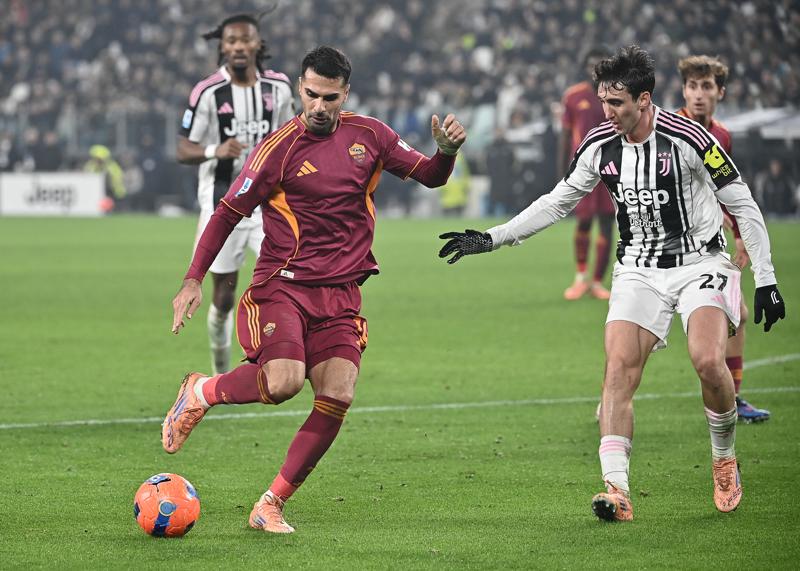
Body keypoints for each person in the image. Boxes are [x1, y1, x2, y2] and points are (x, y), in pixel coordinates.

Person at [438, 46, 785, 522]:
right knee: (618, 370)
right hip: (638, 269)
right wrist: (492, 238)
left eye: (616, 103)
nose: (606, 112)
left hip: (699, 261)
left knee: (708, 360)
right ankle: (617, 491)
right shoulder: (599, 143)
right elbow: (557, 201)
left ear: (644, 100)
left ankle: (724, 458)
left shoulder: (691, 139)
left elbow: (743, 204)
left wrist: (766, 278)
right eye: (603, 100)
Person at [164, 46, 466, 534]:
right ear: (299, 90)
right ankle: (201, 390)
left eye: (329, 97)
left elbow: (430, 177)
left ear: (346, 94)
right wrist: (193, 278)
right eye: (310, 95)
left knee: (338, 395)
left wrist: (446, 152)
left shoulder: (371, 136)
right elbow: (228, 212)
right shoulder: (277, 150)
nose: (318, 106)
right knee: (283, 382)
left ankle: (270, 504)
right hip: (282, 287)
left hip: (341, 294)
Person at [177, 12, 295, 375]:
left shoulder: (279, 88)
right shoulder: (208, 91)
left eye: (245, 40)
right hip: (223, 207)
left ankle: (284, 355)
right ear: (223, 47)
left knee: (289, 278)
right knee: (224, 297)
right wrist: (217, 150)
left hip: (269, 206)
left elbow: (293, 138)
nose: (239, 47)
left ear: (258, 44)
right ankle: (220, 371)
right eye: (231, 41)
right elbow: (183, 148)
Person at [677, 54, 770, 423]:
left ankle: (735, 397)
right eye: (692, 86)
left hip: (705, 249)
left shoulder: (721, 136)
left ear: (721, 92)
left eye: (706, 86)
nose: (699, 94)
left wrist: (740, 234)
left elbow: (725, 191)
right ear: (683, 91)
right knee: (641, 334)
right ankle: (612, 397)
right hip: (664, 248)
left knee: (740, 314)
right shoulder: (668, 131)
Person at [559, 46, 614, 301]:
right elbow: (565, 135)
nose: (596, 69)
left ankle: (597, 282)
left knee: (607, 222)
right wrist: (562, 172)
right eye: (591, 64)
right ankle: (581, 277)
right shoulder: (573, 96)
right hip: (582, 169)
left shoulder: (619, 94)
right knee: (584, 221)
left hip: (613, 169)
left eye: (601, 63)